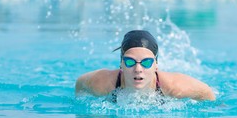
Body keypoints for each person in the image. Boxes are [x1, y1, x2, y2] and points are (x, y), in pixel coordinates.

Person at [75, 30, 216, 102]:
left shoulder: (175, 87)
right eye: (130, 62)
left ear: (156, 65)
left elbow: (208, 94)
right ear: (121, 64)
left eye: (146, 63)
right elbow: (80, 84)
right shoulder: (103, 83)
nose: (138, 69)